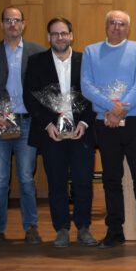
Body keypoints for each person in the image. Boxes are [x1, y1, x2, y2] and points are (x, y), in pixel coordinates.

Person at [23, 17, 98, 248]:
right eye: (55, 34)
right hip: (52, 134)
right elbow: (30, 97)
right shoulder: (37, 62)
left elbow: (93, 95)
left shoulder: (86, 61)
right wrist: (48, 124)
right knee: (56, 183)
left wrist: (84, 123)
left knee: (83, 181)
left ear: (71, 35)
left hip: (81, 133)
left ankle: (83, 227)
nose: (60, 37)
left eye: (64, 33)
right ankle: (62, 229)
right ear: (48, 37)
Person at [81, 10, 136, 249]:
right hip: (105, 123)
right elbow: (86, 86)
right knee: (111, 179)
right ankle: (115, 231)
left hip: (132, 123)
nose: (116, 27)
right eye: (112, 22)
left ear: (127, 28)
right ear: (105, 26)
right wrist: (110, 109)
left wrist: (119, 110)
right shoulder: (91, 51)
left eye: (121, 24)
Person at [0, 6, 45, 245]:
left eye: (17, 20)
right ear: (2, 24)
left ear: (24, 24)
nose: (13, 25)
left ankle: (31, 228)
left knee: (26, 178)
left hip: (27, 123)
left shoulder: (37, 51)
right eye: (8, 20)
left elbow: (42, 90)